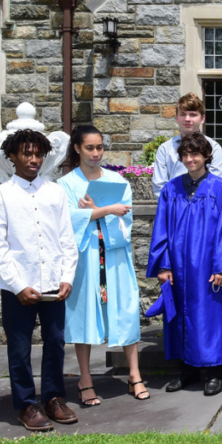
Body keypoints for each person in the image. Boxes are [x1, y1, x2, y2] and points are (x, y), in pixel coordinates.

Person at [0, 129, 79, 431]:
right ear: (12, 156)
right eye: (27, 153)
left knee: (55, 343)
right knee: (19, 347)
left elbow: (67, 239)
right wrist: (17, 285)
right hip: (18, 287)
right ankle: (26, 404)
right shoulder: (0, 196)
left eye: (38, 154)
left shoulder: (55, 192)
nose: (33, 159)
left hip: (53, 282)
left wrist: (67, 277)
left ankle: (53, 398)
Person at [59, 126, 146, 406]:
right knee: (83, 315)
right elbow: (68, 220)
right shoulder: (65, 185)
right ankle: (85, 379)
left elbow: (125, 220)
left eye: (99, 147)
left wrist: (93, 212)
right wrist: (106, 210)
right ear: (77, 149)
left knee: (125, 310)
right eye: (89, 148)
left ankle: (134, 374)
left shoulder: (117, 180)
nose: (96, 153)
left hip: (114, 256)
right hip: (85, 259)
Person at [147, 133, 222, 397]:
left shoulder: (221, 188)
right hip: (176, 266)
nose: (190, 159)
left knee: (210, 317)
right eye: (185, 155)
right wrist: (164, 265)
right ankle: (185, 372)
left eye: (195, 154)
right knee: (178, 317)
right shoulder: (171, 189)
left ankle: (214, 373)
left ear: (207, 156)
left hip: (207, 266)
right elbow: (160, 228)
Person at [152, 92, 222, 199]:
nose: (187, 119)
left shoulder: (214, 148)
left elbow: (216, 184)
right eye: (183, 114)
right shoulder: (165, 149)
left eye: (193, 114)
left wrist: (196, 207)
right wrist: (176, 207)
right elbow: (160, 187)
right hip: (174, 210)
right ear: (177, 118)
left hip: (204, 210)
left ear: (202, 118)